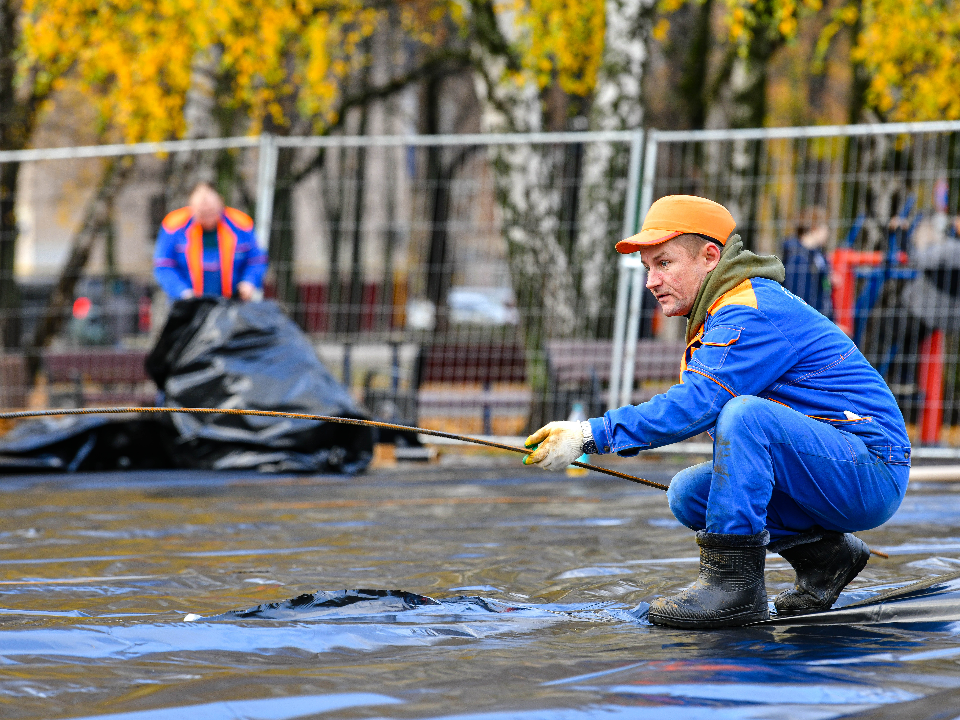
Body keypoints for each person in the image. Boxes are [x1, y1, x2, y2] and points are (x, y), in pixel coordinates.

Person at [523, 195, 911, 629]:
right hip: (833, 469)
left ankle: (734, 590)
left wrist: (589, 434)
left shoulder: (749, 311)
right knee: (689, 492)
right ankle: (826, 557)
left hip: (870, 472)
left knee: (745, 415)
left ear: (710, 256)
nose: (651, 281)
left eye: (664, 263)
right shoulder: (721, 310)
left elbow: (698, 403)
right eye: (647, 267)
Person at [154, 182, 268, 301]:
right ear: (191, 208)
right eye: (202, 213)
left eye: (211, 211)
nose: (208, 217)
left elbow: (257, 259)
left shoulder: (241, 224)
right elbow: (164, 265)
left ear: (221, 204)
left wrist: (249, 282)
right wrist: (182, 292)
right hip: (188, 304)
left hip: (232, 302)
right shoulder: (174, 226)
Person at [781, 207, 833, 319]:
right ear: (815, 228)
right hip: (806, 322)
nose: (828, 232)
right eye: (826, 227)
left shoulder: (817, 256)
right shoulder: (797, 258)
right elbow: (798, 296)